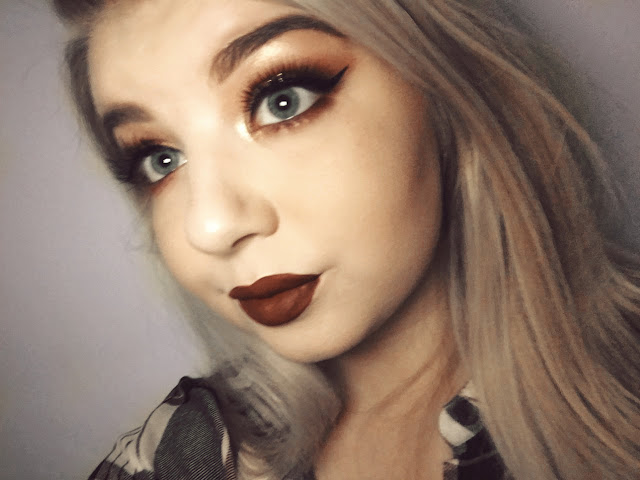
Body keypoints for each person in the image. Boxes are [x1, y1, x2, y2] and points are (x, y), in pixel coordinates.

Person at [52, 0, 640, 479]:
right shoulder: (184, 454)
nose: (210, 226)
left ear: (443, 90)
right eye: (160, 158)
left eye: (282, 100)